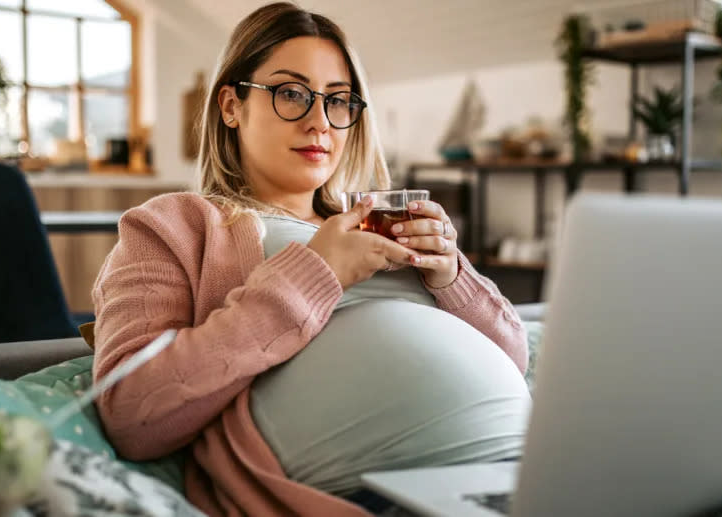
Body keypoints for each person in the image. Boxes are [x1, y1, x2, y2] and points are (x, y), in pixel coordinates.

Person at [91, 3, 530, 516]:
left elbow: (514, 358)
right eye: (291, 94)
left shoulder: (376, 217)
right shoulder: (176, 224)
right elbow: (132, 412)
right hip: (379, 496)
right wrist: (316, 275)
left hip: (527, 467)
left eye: (338, 101)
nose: (320, 121)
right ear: (231, 106)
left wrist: (452, 276)